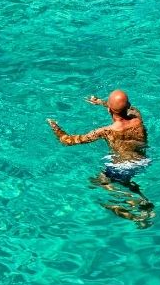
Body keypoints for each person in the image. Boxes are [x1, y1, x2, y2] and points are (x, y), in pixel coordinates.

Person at [47, 90, 153, 226]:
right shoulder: (137, 119)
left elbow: (68, 141)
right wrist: (101, 102)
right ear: (128, 106)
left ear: (109, 109)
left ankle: (137, 212)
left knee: (100, 185)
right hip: (142, 161)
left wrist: (55, 127)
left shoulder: (106, 131)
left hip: (120, 166)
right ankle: (141, 199)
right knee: (121, 181)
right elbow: (127, 108)